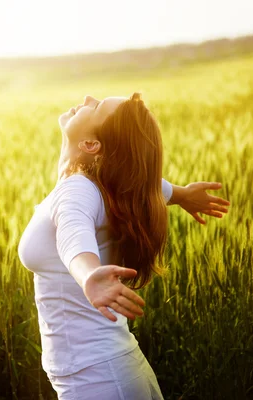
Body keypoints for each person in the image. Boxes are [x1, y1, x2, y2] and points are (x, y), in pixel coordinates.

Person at [17, 93, 231, 399]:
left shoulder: (78, 189)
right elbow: (140, 178)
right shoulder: (99, 183)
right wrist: (180, 194)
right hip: (111, 370)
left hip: (98, 381)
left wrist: (88, 274)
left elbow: (73, 235)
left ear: (92, 145)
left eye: (99, 106)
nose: (89, 98)